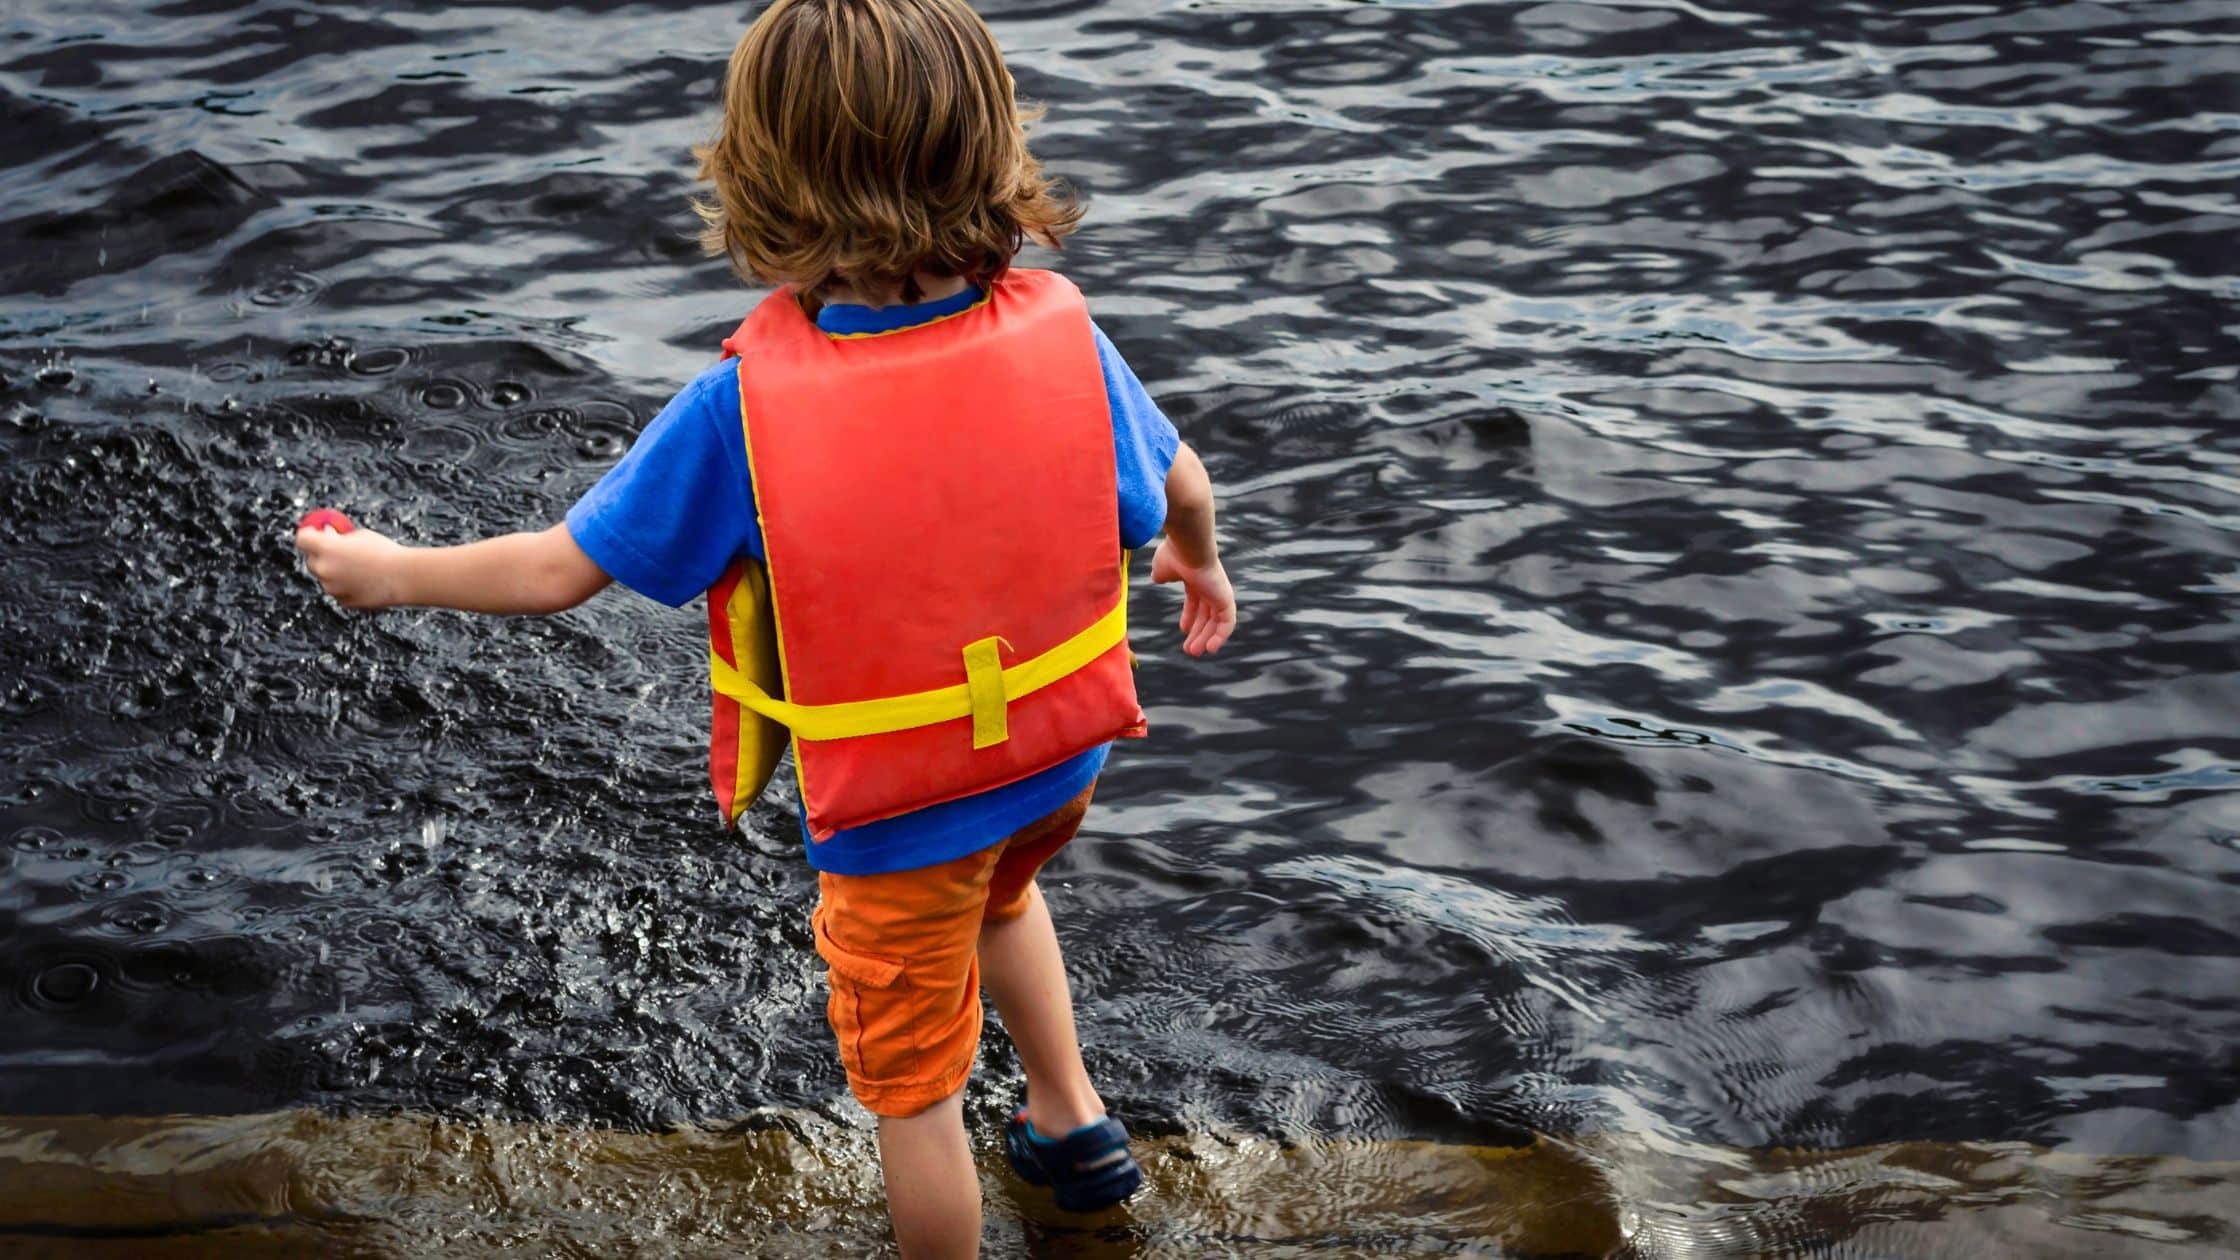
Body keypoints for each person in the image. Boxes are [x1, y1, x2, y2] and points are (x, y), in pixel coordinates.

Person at [293, 1, 1236, 1255]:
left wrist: (393, 573)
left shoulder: (741, 406)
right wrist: (1196, 562)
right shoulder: (1063, 335)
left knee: (915, 1096)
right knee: (1003, 897)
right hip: (1054, 756)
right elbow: (1180, 482)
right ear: (990, 147)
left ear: (760, 180)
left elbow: (558, 571)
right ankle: (1070, 1118)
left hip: (902, 808)